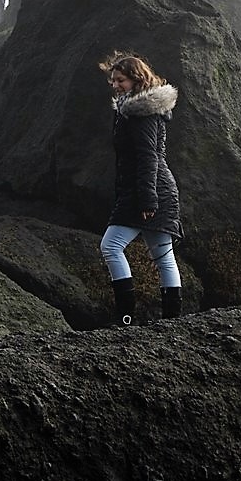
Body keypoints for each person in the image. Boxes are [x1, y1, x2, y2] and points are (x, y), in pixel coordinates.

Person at [98, 51, 183, 325]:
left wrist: (148, 201)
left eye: (120, 80)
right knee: (162, 255)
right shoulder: (130, 109)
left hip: (148, 191)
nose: (115, 85)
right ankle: (172, 321)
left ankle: (125, 317)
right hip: (151, 189)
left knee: (111, 246)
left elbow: (148, 157)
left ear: (136, 79)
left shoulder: (141, 113)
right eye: (113, 81)